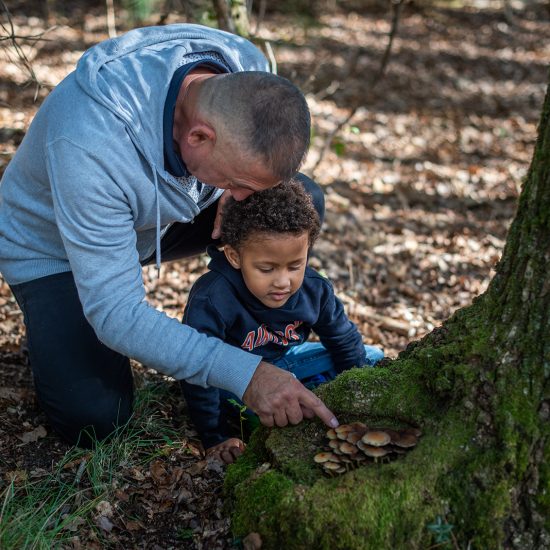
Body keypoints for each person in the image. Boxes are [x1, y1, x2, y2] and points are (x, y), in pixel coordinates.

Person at [0, 23, 339, 448]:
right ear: (198, 136)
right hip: (53, 247)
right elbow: (117, 316)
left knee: (301, 199)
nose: (241, 197)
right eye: (237, 182)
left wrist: (224, 189)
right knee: (96, 418)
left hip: (161, 217)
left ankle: (256, 332)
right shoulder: (89, 143)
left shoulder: (244, 65)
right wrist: (244, 375)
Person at [181, 180, 384, 463]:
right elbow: (196, 368)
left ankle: (309, 396)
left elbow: (343, 339)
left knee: (372, 358)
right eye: (266, 268)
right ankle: (304, 400)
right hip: (236, 382)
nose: (283, 282)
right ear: (235, 256)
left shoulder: (315, 289)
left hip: (288, 362)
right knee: (251, 411)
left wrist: (358, 392)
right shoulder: (213, 297)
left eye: (295, 266)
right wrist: (214, 436)